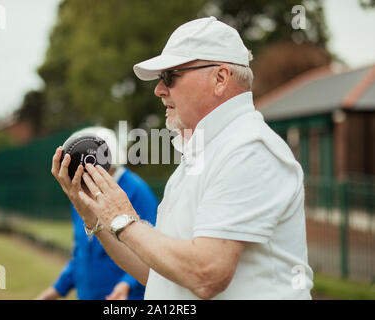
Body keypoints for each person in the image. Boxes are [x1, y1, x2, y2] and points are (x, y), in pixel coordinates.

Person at [51, 16, 313, 299]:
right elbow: (159, 273)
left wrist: (123, 219)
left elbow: (206, 274)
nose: (159, 89)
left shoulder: (249, 149)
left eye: (170, 76)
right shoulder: (207, 151)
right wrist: (96, 216)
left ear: (220, 78)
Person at [38, 126, 158, 300]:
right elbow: (81, 250)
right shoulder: (82, 191)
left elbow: (152, 250)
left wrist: (128, 283)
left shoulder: (136, 190)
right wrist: (56, 290)